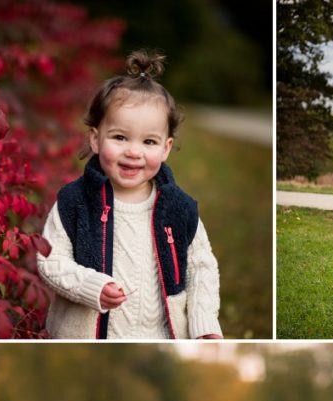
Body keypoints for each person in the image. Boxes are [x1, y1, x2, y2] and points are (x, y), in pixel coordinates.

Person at [36, 50, 222, 339]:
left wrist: (204, 325)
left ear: (166, 148)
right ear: (96, 139)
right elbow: (49, 259)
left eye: (149, 141)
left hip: (161, 338)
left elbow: (201, 268)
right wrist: (91, 286)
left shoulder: (179, 207)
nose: (134, 152)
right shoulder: (74, 201)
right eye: (120, 137)